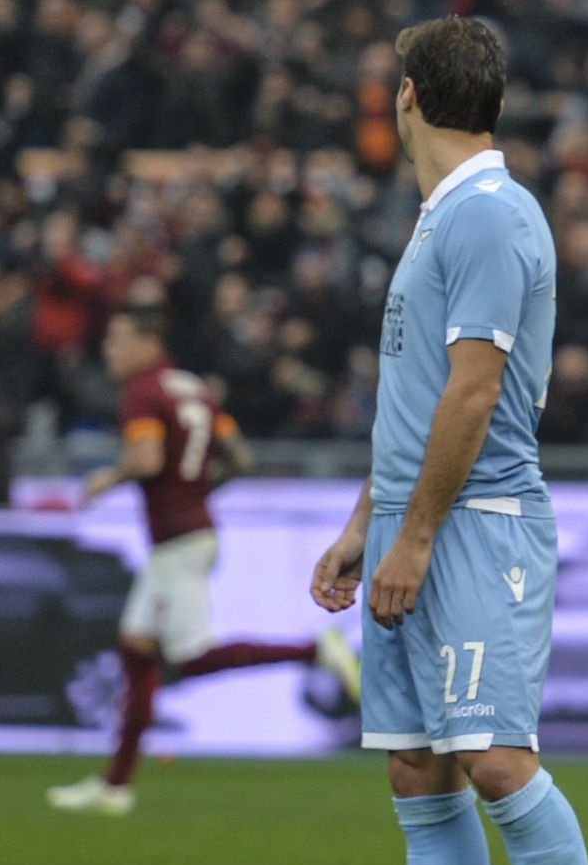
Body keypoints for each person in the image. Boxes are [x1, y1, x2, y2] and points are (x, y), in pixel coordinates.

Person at [306, 17, 588, 865]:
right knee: (418, 761)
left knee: (495, 756)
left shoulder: (489, 214)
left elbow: (474, 393)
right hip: (415, 516)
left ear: (409, 95)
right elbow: (413, 395)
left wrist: (412, 537)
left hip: (479, 521)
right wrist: (370, 517)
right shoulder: (443, 215)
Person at [47, 306, 358, 817]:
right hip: (190, 535)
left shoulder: (142, 393)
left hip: (178, 544)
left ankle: (314, 651)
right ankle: (116, 784)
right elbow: (240, 457)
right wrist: (196, 492)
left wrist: (108, 478)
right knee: (137, 650)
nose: (111, 350)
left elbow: (146, 460)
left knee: (188, 656)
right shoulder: (193, 388)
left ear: (150, 343)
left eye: (120, 339)